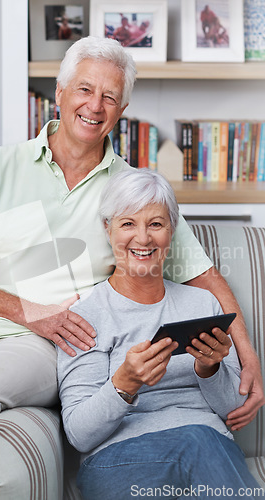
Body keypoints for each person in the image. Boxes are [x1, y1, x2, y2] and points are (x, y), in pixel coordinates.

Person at [0, 35, 262, 499]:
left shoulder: (132, 195)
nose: (95, 106)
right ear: (59, 94)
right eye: (84, 90)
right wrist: (26, 308)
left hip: (39, 343)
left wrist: (248, 359)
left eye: (110, 97)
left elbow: (206, 278)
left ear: (121, 111)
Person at [57, 169, 261, 499]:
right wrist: (124, 383)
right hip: (119, 460)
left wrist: (209, 370)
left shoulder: (203, 303)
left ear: (171, 231)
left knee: (200, 441)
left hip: (209, 451)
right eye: (127, 224)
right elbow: (80, 434)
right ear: (107, 230)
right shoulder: (85, 315)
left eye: (156, 224)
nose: (143, 238)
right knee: (197, 440)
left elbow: (235, 410)